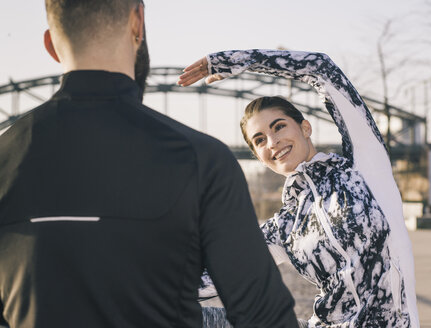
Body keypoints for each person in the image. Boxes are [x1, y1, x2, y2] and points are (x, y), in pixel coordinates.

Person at [0, 3, 301, 327]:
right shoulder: (203, 161)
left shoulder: (4, 158)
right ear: (137, 23)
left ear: (50, 44)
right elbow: (264, 317)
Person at [178, 49, 420, 327]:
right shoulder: (287, 225)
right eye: (259, 140)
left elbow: (321, 68)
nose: (272, 142)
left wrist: (234, 62)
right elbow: (218, 274)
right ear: (258, 156)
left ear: (305, 128)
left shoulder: (363, 168)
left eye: (279, 127)